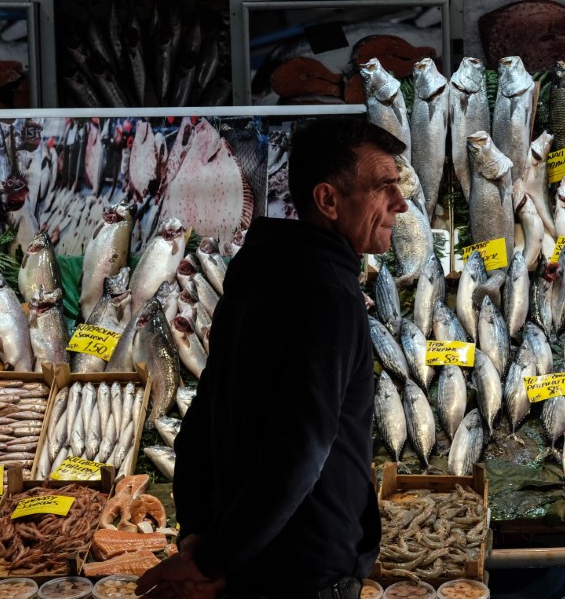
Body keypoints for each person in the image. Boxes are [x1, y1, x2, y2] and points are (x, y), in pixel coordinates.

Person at [137, 116, 408, 599]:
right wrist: (212, 558)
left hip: (246, 564)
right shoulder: (329, 294)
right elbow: (299, 450)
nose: (400, 204)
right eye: (385, 187)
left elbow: (204, 414)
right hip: (299, 575)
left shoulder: (257, 269)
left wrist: (200, 537)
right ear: (328, 200)